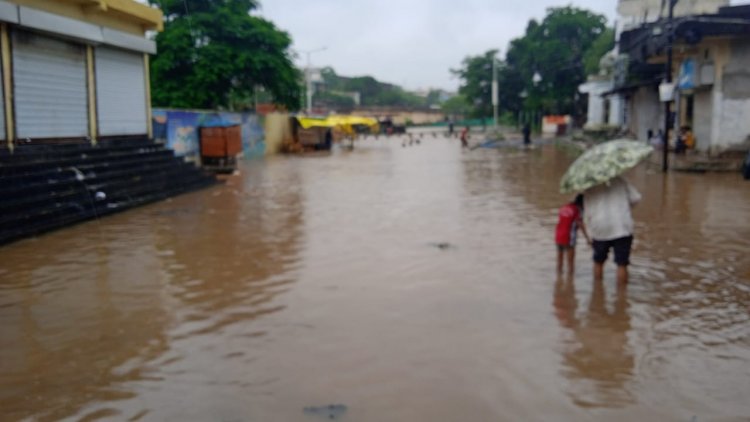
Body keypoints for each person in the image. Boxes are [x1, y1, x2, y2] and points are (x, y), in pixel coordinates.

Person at [584, 176, 641, 285]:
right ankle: (622, 294)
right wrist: (625, 207)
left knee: (598, 261)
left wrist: (589, 233)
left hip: (600, 227)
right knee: (622, 263)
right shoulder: (621, 180)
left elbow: (588, 212)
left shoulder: (589, 186)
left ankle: (597, 290)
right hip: (622, 225)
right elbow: (636, 198)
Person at [555, 194, 591, 276]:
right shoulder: (578, 210)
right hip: (569, 237)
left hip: (558, 235)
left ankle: (559, 278)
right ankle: (570, 280)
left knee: (559, 261)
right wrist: (587, 238)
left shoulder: (564, 207)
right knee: (570, 263)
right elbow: (580, 224)